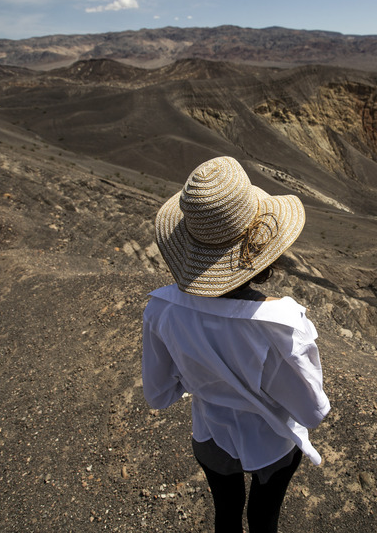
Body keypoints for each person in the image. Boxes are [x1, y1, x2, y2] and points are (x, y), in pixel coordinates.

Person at [141, 156, 330, 532]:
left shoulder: (161, 310)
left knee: (226, 513)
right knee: (264, 518)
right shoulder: (282, 326)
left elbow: (158, 395)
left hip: (210, 437)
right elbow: (312, 412)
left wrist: (201, 374)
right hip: (272, 444)